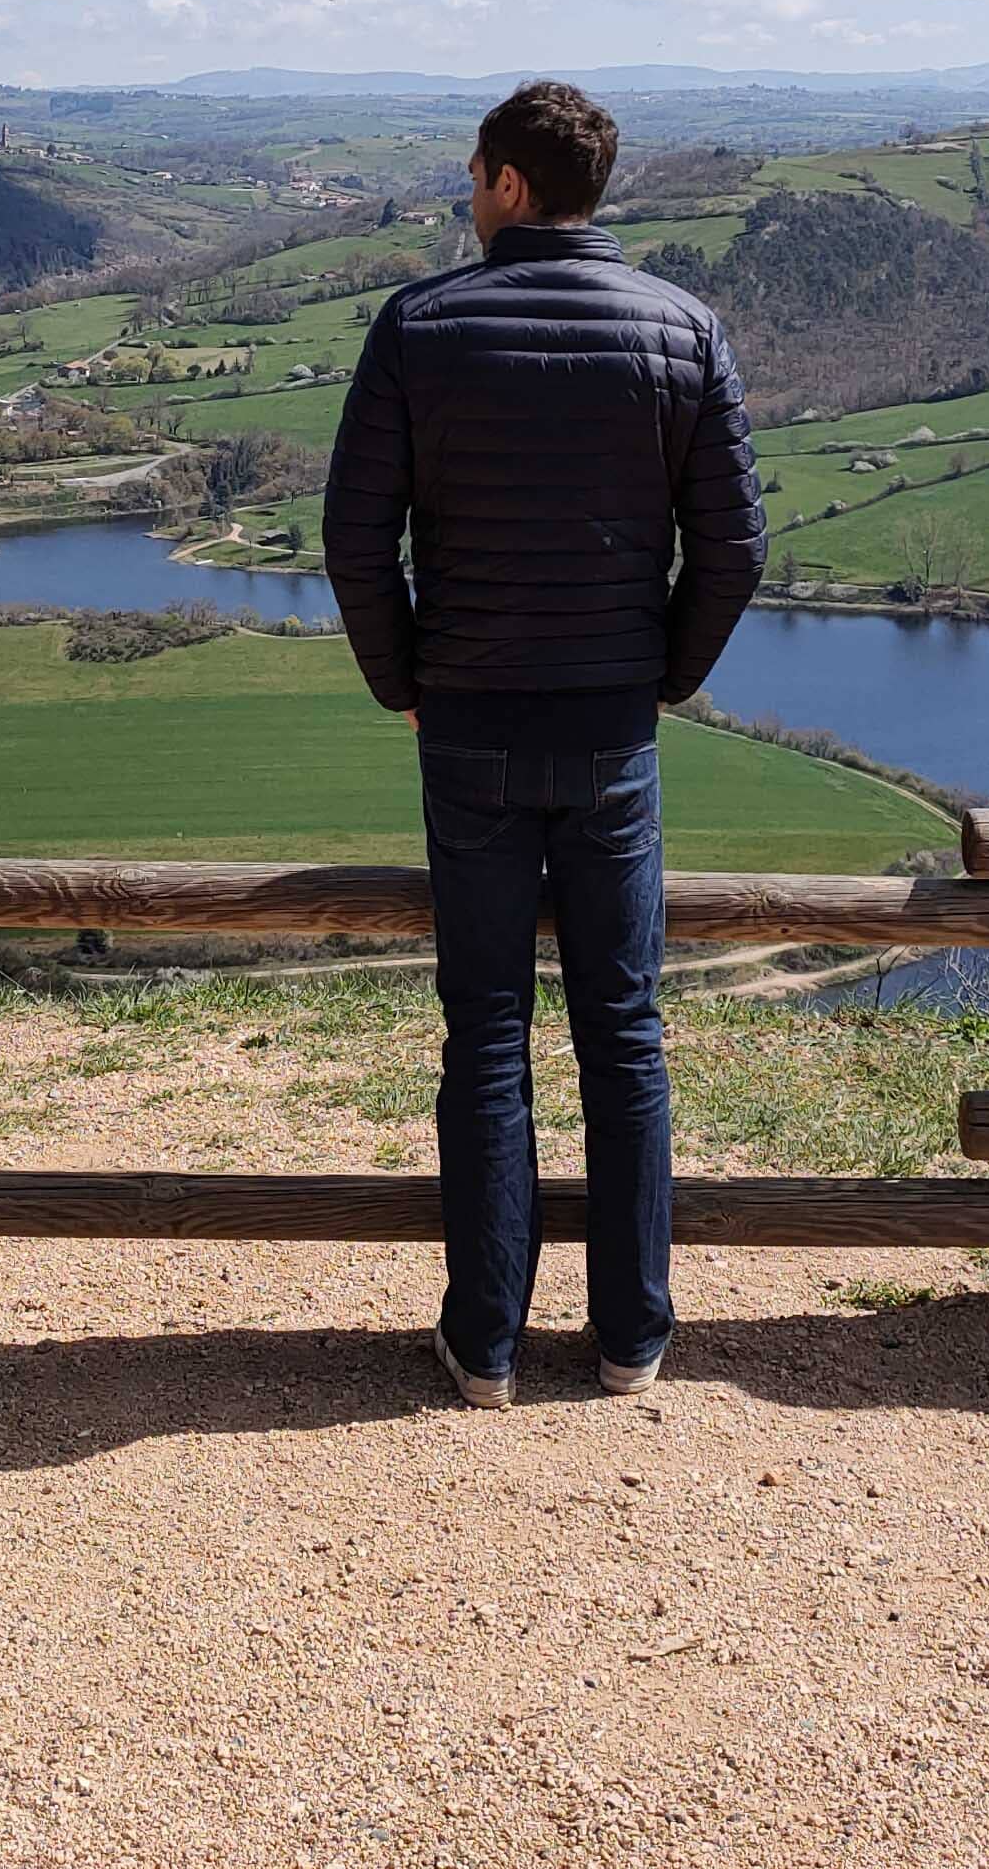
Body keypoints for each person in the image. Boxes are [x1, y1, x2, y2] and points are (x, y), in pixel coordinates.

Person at [321, 80, 764, 1410]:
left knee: (488, 1029)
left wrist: (406, 681)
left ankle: (487, 1343)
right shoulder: (684, 332)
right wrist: (665, 676)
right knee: (623, 1027)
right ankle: (632, 1338)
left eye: (473, 177)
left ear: (511, 185)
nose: (465, 198)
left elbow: (355, 538)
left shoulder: (421, 326)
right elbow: (735, 548)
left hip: (466, 726)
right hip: (611, 727)